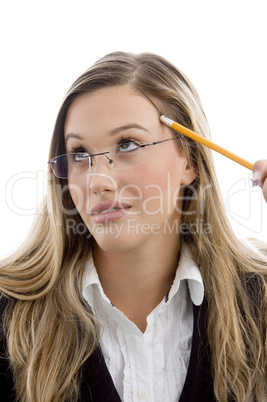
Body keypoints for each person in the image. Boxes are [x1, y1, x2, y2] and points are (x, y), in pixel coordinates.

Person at [0, 52, 267, 402]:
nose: (98, 182)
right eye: (79, 153)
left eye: (127, 144)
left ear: (190, 160)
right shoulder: (10, 315)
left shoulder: (259, 302)